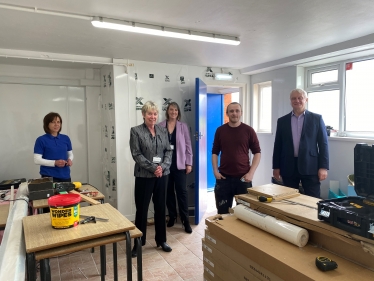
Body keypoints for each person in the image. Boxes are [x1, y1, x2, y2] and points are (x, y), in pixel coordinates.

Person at [129, 101, 173, 257]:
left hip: (162, 175)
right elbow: (136, 154)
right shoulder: (136, 131)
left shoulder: (163, 130)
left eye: (155, 114)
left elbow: (168, 150)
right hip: (144, 176)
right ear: (143, 114)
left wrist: (162, 166)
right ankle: (138, 244)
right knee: (141, 210)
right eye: (149, 113)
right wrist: (153, 167)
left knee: (161, 208)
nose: (152, 116)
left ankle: (161, 240)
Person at [272, 88, 329, 198]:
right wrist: (276, 167)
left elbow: (323, 144)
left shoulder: (316, 119)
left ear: (306, 100)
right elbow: (278, 145)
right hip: (288, 166)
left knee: (313, 199)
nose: (297, 100)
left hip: (310, 166)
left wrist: (323, 167)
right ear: (290, 101)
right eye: (294, 98)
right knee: (289, 199)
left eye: (300, 98)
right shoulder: (282, 121)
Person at [212, 102, 261, 214]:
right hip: (223, 179)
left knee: (245, 214)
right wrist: (215, 171)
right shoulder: (220, 131)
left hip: (243, 179)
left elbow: (257, 153)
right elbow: (215, 152)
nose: (234, 113)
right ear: (227, 113)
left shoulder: (248, 131)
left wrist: (251, 173)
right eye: (231, 111)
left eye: (237, 111)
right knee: (223, 213)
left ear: (241, 113)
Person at [158, 102, 193, 233]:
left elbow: (188, 146)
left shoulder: (183, 126)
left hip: (180, 164)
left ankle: (185, 221)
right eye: (171, 110)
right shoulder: (160, 126)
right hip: (165, 165)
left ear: (178, 112)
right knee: (168, 192)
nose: (173, 112)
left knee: (182, 193)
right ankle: (172, 216)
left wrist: (189, 163)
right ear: (167, 111)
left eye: (176, 110)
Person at [34, 112, 73, 182]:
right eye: (53, 122)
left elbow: (70, 153)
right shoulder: (41, 140)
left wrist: (70, 159)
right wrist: (55, 163)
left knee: (67, 193)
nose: (56, 124)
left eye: (58, 122)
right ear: (47, 124)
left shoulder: (66, 138)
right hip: (48, 177)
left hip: (65, 176)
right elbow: (37, 160)